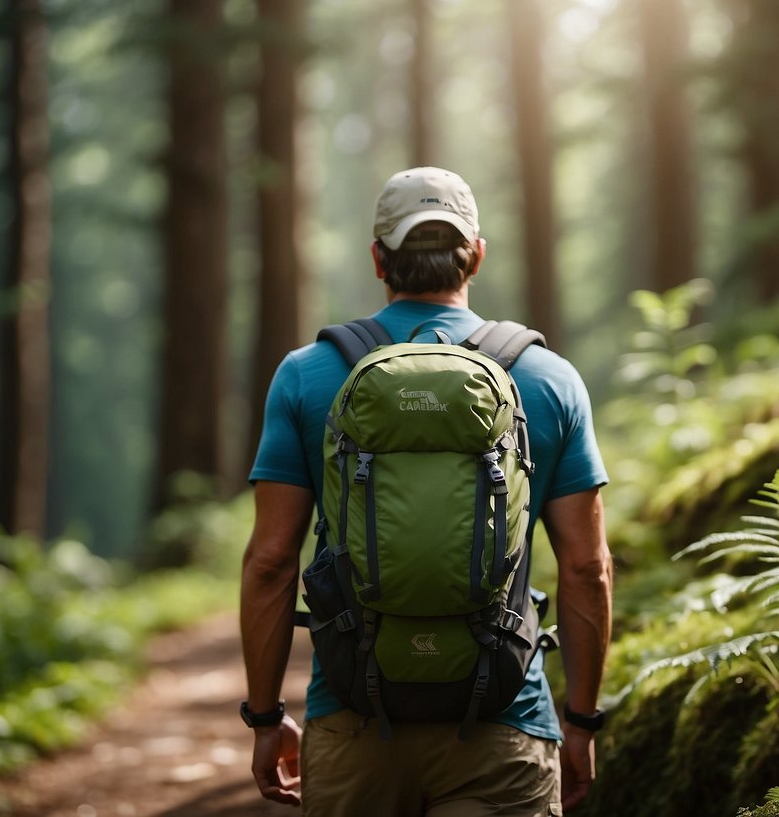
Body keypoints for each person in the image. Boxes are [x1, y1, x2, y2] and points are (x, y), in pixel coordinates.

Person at [240, 166, 612, 815]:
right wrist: (581, 722)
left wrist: (266, 715)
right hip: (502, 717)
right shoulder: (548, 379)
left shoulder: (307, 375)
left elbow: (271, 563)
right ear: (477, 256)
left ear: (378, 259)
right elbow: (587, 567)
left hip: (352, 715)